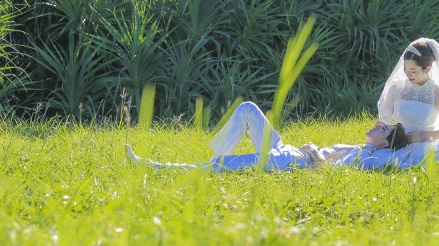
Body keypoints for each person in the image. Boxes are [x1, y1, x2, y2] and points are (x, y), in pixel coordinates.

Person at [126, 101, 410, 171]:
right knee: (248, 109)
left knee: (221, 166)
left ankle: (154, 166)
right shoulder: (361, 146)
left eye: (383, 129)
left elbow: (325, 170)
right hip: (288, 150)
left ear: (384, 143)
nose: (378, 125)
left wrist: (312, 152)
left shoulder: (367, 156)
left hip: (291, 161)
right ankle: (217, 160)